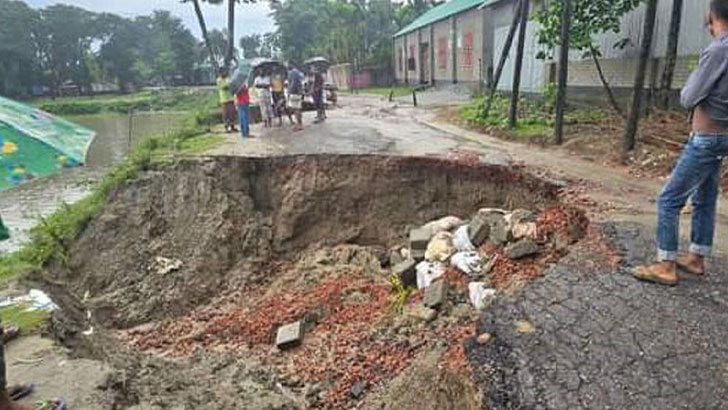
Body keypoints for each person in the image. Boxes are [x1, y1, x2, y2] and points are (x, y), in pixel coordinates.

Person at [633, 0, 728, 286]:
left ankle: (665, 265)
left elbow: (688, 97)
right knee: (704, 197)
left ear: (711, 16)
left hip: (707, 137)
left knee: (669, 199)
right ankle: (696, 258)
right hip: (723, 136)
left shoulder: (718, 49)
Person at [216, 68, 238, 133]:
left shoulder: (228, 79)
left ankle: (232, 126)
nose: (225, 73)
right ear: (220, 73)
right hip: (224, 99)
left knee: (232, 113)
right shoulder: (219, 80)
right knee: (226, 114)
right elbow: (223, 87)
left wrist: (231, 85)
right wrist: (229, 85)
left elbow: (232, 86)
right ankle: (226, 127)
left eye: (225, 72)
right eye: (223, 72)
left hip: (230, 98)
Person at [287, 63, 305, 132]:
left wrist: (289, 92)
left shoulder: (292, 73)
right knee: (298, 108)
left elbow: (293, 83)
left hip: (294, 93)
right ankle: (299, 123)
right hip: (299, 92)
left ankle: (299, 124)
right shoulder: (298, 72)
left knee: (296, 108)